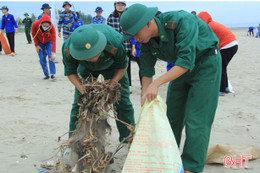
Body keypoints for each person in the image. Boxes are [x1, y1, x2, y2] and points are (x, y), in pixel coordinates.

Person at [120, 4, 221, 173]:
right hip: (179, 68)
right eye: (131, 36)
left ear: (148, 22)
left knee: (197, 119)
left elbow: (186, 61)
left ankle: (191, 166)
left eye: (136, 33)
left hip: (206, 63)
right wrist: (145, 96)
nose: (135, 39)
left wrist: (156, 84)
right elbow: (146, 70)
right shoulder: (145, 41)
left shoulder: (181, 21)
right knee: (172, 114)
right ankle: (166, 156)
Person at [62, 24, 135, 141]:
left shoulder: (114, 41)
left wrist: (112, 84)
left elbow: (122, 66)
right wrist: (82, 89)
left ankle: (128, 138)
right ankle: (74, 140)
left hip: (113, 67)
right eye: (88, 56)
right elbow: (70, 73)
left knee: (122, 102)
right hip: (86, 69)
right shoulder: (68, 49)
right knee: (80, 103)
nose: (93, 58)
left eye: (95, 53)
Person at [198, 11, 238, 96]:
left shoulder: (209, 26)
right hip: (233, 44)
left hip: (227, 46)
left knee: (220, 68)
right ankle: (226, 87)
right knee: (223, 67)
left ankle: (221, 90)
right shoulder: (212, 24)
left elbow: (208, 41)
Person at [107, 1, 133, 89]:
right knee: (115, 66)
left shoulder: (128, 16)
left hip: (126, 45)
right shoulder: (111, 17)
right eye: (118, 4)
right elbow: (108, 32)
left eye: (122, 5)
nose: (120, 6)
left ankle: (127, 86)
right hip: (115, 46)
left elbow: (132, 31)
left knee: (126, 67)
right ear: (115, 5)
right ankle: (115, 85)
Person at [31, 13, 56, 80]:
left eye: (48, 25)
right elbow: (33, 35)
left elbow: (54, 40)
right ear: (41, 23)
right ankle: (46, 74)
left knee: (51, 56)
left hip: (49, 42)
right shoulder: (35, 24)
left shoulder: (52, 27)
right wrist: (37, 45)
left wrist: (53, 51)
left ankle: (52, 74)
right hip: (39, 43)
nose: (46, 26)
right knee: (42, 58)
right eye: (44, 25)